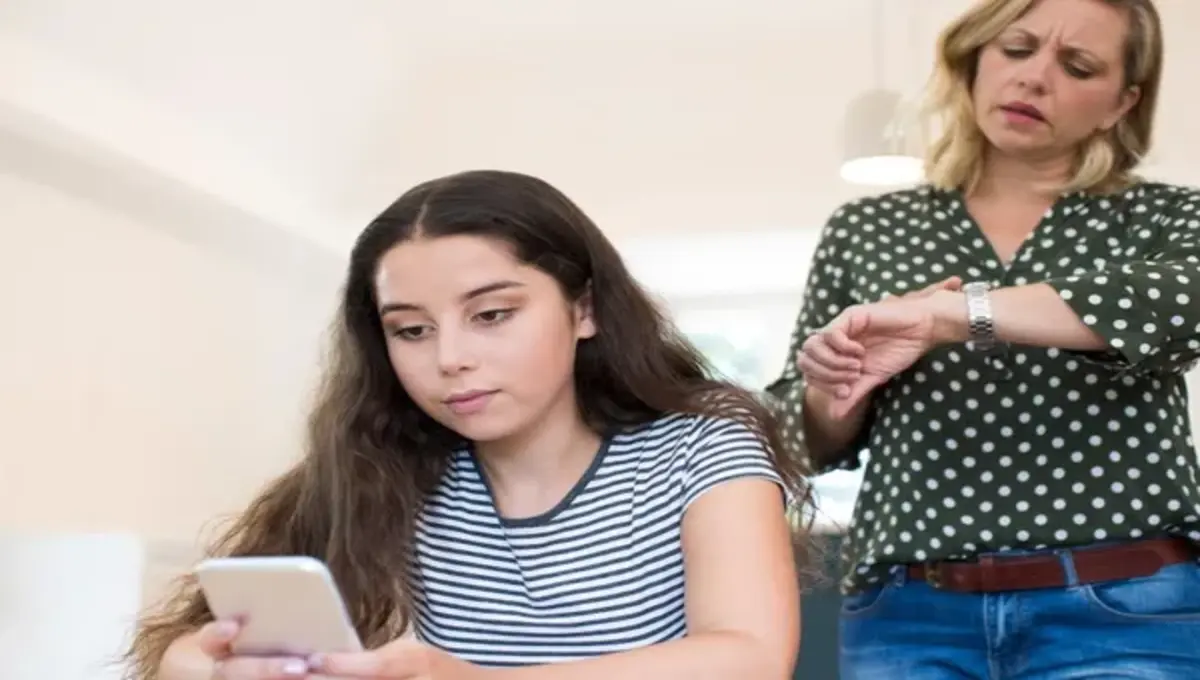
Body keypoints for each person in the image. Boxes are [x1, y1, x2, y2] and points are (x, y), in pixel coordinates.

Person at [123, 169, 807, 680]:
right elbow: (185, 647)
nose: (450, 359)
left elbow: (748, 656)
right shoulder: (383, 463)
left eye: (492, 315)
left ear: (585, 310)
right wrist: (204, 666)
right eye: (412, 330)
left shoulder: (702, 445)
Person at [766, 0, 1200, 677]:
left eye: (1078, 66)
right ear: (973, 61)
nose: (1033, 78)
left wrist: (955, 315)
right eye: (1016, 49)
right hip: (908, 614)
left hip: (1123, 607)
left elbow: (1180, 304)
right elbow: (795, 441)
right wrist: (834, 389)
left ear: (1122, 103)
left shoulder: (1165, 217)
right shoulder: (868, 228)